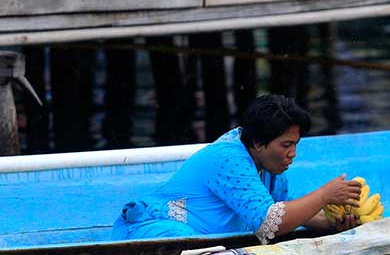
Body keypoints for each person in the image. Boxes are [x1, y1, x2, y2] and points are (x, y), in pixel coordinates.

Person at [112, 94, 361, 243]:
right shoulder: (228, 158)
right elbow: (269, 224)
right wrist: (324, 195)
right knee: (188, 244)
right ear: (258, 143)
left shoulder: (271, 167)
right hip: (154, 230)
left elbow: (287, 212)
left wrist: (332, 223)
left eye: (295, 145)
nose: (292, 154)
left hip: (204, 241)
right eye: (286, 145)